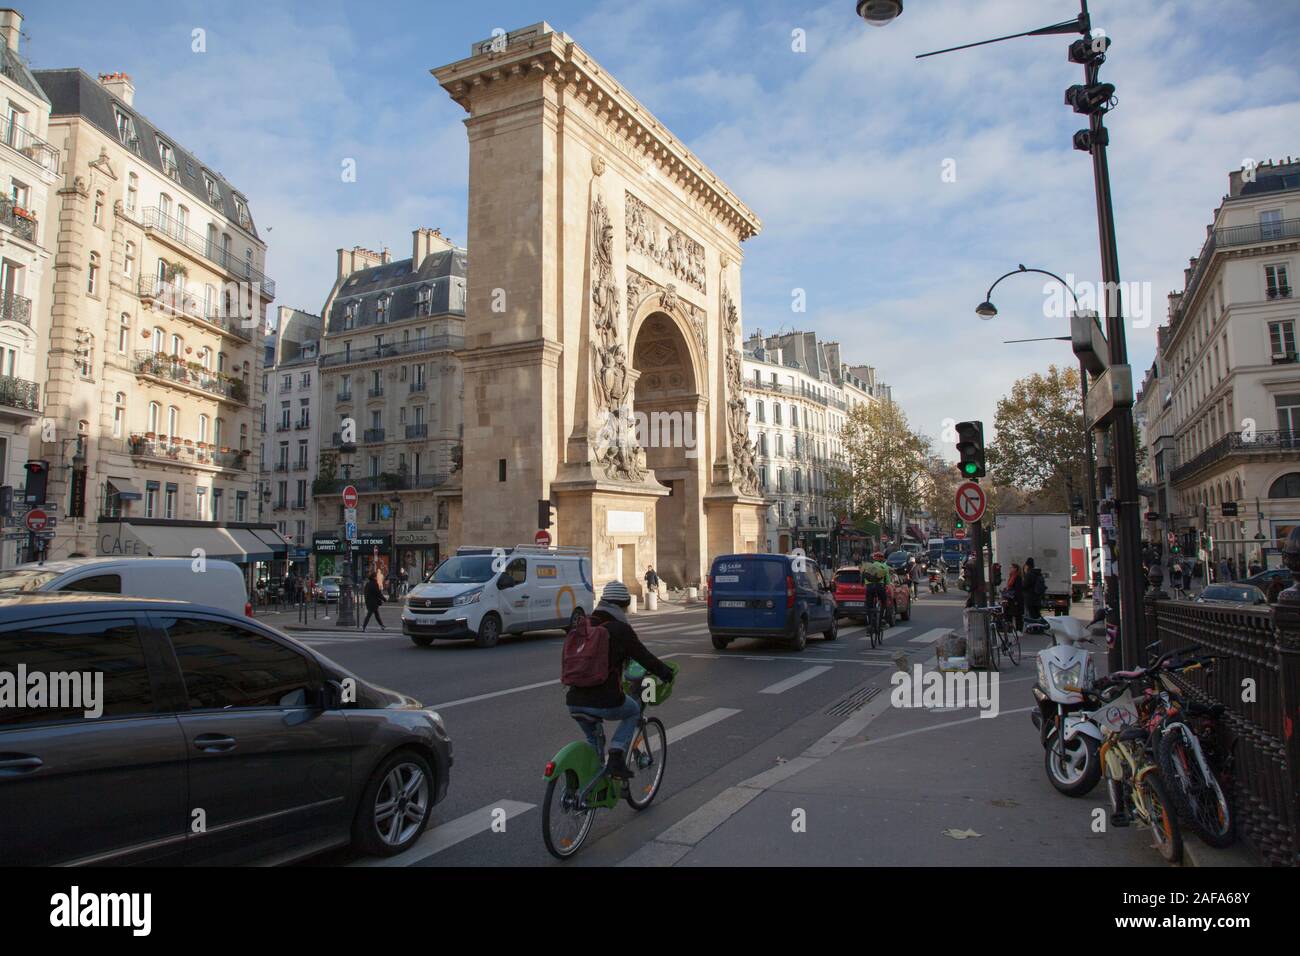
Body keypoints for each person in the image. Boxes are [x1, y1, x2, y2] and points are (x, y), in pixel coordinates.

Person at [565, 581, 675, 779]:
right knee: (633, 711)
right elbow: (644, 657)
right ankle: (616, 755)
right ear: (622, 605)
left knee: (594, 741)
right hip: (604, 700)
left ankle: (590, 789)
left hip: (574, 700)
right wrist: (665, 673)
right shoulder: (620, 629)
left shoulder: (585, 624)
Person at [861, 551, 891, 628]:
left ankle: (870, 624)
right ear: (882, 560)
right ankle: (882, 619)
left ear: (873, 559)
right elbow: (887, 582)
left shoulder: (867, 567)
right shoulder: (884, 567)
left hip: (869, 587)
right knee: (884, 602)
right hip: (879, 587)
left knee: (869, 605)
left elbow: (863, 578)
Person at [1023, 557, 1047, 622]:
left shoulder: (1029, 574)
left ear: (1027, 566)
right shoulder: (1038, 574)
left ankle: (1036, 628)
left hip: (1030, 599)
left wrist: (1025, 574)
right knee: (1037, 614)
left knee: (1032, 616)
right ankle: (1040, 627)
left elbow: (1024, 586)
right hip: (1037, 598)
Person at [1002, 563, 1024, 632]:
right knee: (1008, 614)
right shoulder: (1011, 576)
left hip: (1015, 599)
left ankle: (1019, 630)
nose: (1010, 569)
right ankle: (1009, 629)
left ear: (1015, 569)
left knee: (1017, 615)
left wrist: (1015, 599)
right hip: (1010, 599)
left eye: (1011, 567)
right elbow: (1010, 587)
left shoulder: (1017, 577)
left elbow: (1017, 590)